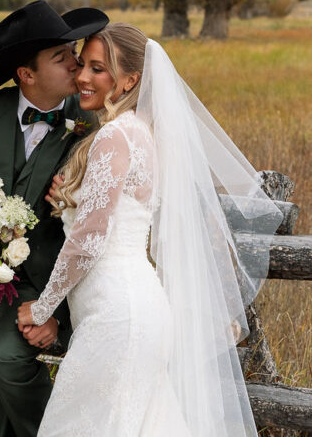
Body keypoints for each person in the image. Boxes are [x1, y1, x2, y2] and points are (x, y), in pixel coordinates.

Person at [17, 23, 282, 437]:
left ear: (130, 79)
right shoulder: (144, 134)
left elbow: (88, 241)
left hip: (116, 316)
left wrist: (43, 306)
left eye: (98, 69)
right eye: (82, 64)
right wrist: (68, 198)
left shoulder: (115, 137)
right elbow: (118, 214)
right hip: (138, 311)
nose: (82, 76)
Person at [0, 0, 109, 437]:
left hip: (57, 284)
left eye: (73, 53)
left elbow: (101, 222)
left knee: (0, 360)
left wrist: (56, 313)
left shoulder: (92, 121)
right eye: (60, 57)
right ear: (26, 74)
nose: (75, 63)